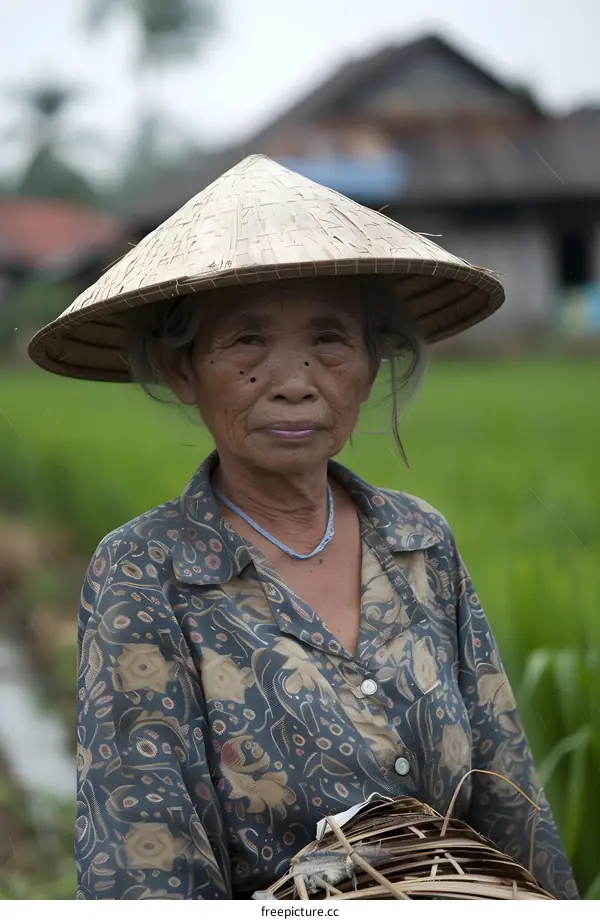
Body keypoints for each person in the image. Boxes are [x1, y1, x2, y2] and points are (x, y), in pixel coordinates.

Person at [29, 155, 578, 900]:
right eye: (246, 341)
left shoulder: (419, 542)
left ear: (370, 361)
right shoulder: (145, 571)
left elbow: (509, 795)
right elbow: (146, 866)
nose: (293, 380)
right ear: (184, 369)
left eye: (330, 340)